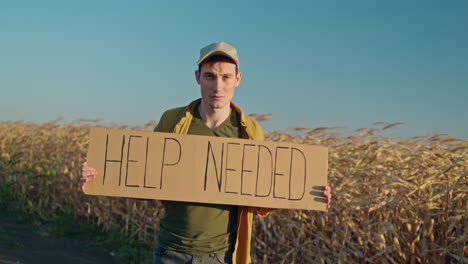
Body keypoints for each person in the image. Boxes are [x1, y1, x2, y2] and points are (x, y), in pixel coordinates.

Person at [80, 42, 332, 264]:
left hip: (221, 255)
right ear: (198, 77)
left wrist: (303, 189)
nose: (218, 86)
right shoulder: (173, 120)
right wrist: (100, 174)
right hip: (172, 250)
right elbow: (143, 175)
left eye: (225, 77)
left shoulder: (250, 130)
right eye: (210, 76)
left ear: (238, 79)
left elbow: (259, 196)